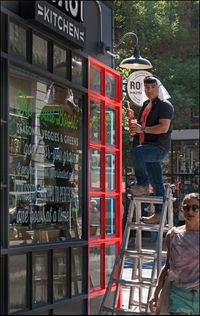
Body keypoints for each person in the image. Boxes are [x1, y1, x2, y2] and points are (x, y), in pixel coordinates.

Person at [126, 75, 174, 224]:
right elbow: (138, 130)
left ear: (158, 88)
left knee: (137, 152)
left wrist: (143, 129)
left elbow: (163, 127)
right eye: (147, 87)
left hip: (158, 148)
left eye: (153, 87)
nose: (149, 90)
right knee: (158, 182)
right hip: (147, 148)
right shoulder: (146, 104)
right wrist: (132, 120)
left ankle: (143, 184)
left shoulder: (165, 105)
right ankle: (159, 215)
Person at [149, 192, 199, 315]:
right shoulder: (173, 235)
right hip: (179, 294)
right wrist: (155, 293)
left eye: (195, 208)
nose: (190, 212)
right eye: (186, 207)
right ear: (182, 209)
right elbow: (167, 266)